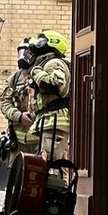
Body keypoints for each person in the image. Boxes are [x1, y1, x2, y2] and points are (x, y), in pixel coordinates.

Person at [27, 29, 71, 161]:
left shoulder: (53, 63)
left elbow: (54, 85)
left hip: (54, 120)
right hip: (49, 121)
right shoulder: (46, 63)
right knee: (49, 162)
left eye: (41, 41)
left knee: (50, 165)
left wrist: (36, 71)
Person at [0, 37, 38, 163]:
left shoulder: (42, 74)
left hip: (39, 140)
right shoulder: (15, 78)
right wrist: (18, 116)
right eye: (21, 52)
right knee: (17, 176)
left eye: (27, 53)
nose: (23, 57)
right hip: (18, 141)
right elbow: (4, 102)